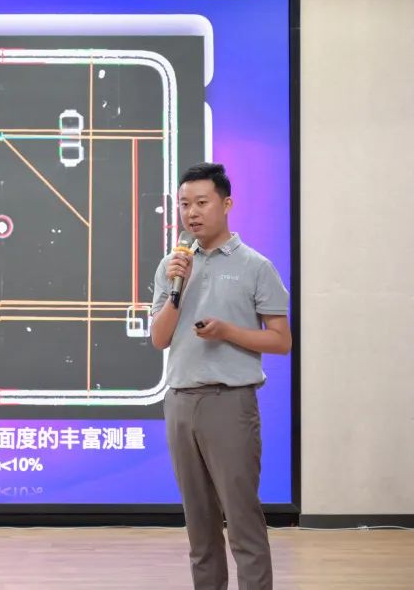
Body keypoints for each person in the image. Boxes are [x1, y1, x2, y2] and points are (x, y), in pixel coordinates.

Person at [150, 162, 292, 590]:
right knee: (199, 524)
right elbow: (159, 338)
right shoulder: (172, 266)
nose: (191, 213)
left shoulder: (255, 266)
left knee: (242, 520)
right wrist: (177, 289)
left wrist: (227, 331)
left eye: (201, 203)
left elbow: (281, 341)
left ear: (226, 204)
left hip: (229, 403)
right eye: (184, 204)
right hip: (180, 402)